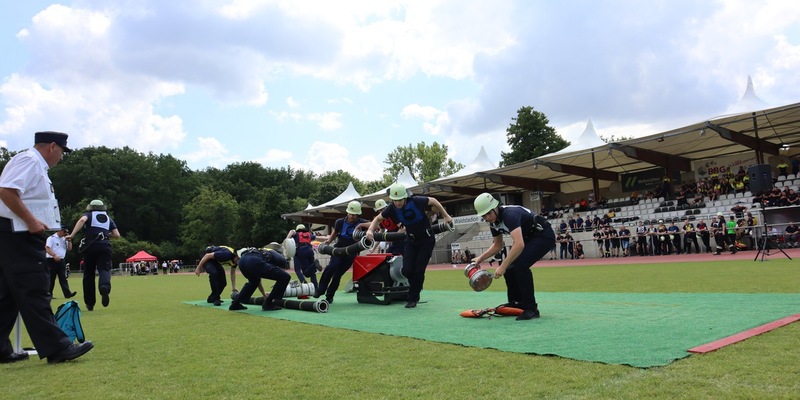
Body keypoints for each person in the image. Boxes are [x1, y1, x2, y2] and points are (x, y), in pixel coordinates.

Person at [0, 131, 93, 364]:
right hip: (18, 233)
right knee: (34, 287)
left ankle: (0, 348)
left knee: (8, 294)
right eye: (62, 151)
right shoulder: (29, 161)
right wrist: (31, 220)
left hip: (15, 233)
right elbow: (6, 191)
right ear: (52, 146)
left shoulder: (36, 165)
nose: (61, 157)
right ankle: (57, 348)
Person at [470, 192, 555, 321]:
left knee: (520, 266)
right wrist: (480, 258)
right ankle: (516, 303)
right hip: (529, 238)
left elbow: (519, 244)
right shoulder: (493, 222)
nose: (487, 217)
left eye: (488, 213)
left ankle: (531, 309)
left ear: (495, 207)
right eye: (484, 215)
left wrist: (503, 266)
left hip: (543, 235)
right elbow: (498, 245)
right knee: (510, 269)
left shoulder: (510, 215)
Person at [366, 183, 453, 308]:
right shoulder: (391, 208)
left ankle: (413, 298)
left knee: (418, 270)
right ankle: (417, 285)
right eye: (395, 200)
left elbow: (433, 201)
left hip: (426, 240)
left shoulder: (416, 201)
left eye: (400, 200)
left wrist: (445, 215)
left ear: (405, 197)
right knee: (407, 270)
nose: (398, 203)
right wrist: (370, 230)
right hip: (410, 240)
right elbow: (377, 219)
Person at [68, 199, 121, 310]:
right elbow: (117, 235)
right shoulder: (108, 218)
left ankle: (90, 303)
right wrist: (105, 234)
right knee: (104, 270)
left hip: (90, 246)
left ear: (91, 207)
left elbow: (82, 220)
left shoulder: (89, 215)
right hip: (104, 245)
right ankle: (104, 287)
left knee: (89, 274)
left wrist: (72, 235)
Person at [315, 201, 371, 304]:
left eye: (354, 215)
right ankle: (320, 289)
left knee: (338, 275)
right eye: (350, 213)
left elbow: (375, 225)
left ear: (358, 214)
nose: (351, 216)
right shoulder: (339, 222)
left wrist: (362, 224)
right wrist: (328, 242)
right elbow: (334, 233)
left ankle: (329, 296)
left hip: (351, 252)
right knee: (332, 266)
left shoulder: (361, 222)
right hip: (338, 249)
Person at [229, 244, 291, 311]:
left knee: (253, 282)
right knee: (285, 277)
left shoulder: (264, 250)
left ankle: (235, 304)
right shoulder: (281, 259)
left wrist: (263, 294)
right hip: (254, 261)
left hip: (242, 262)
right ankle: (269, 303)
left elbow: (258, 280)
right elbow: (282, 272)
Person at [46, 226, 76, 299]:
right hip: (51, 260)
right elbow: (47, 248)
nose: (65, 233)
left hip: (61, 260)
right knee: (51, 278)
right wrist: (54, 255)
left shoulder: (64, 239)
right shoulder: (51, 238)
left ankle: (67, 293)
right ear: (60, 230)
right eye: (64, 232)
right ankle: (49, 294)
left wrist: (69, 240)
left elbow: (69, 248)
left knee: (63, 278)